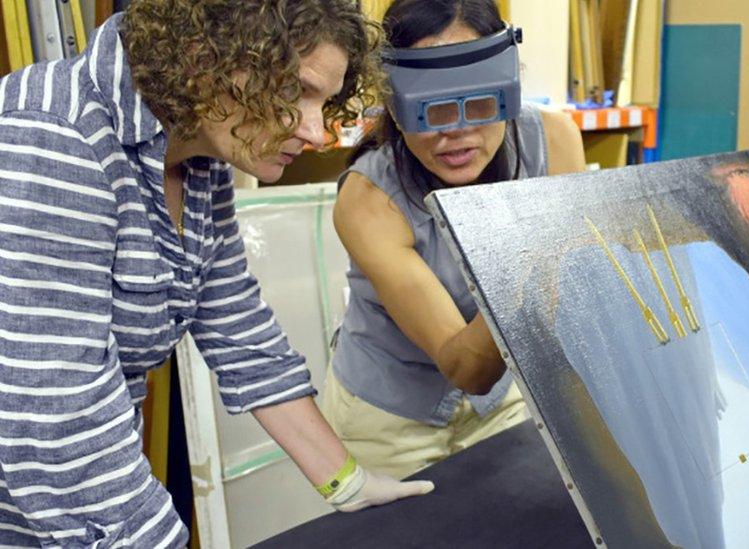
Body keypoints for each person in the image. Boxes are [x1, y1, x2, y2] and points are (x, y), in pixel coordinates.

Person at [0, 1, 431, 546]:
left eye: (325, 101)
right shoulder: (51, 137)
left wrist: (349, 483)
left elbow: (238, 328)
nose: (319, 133)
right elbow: (58, 417)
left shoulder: (196, 155)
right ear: (209, 54)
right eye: (296, 91)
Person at [327, 0, 587, 480]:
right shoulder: (368, 198)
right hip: (388, 421)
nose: (457, 132)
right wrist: (539, 262)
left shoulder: (552, 141)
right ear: (397, 109)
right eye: (432, 110)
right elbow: (465, 367)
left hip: (502, 402)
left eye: (482, 104)